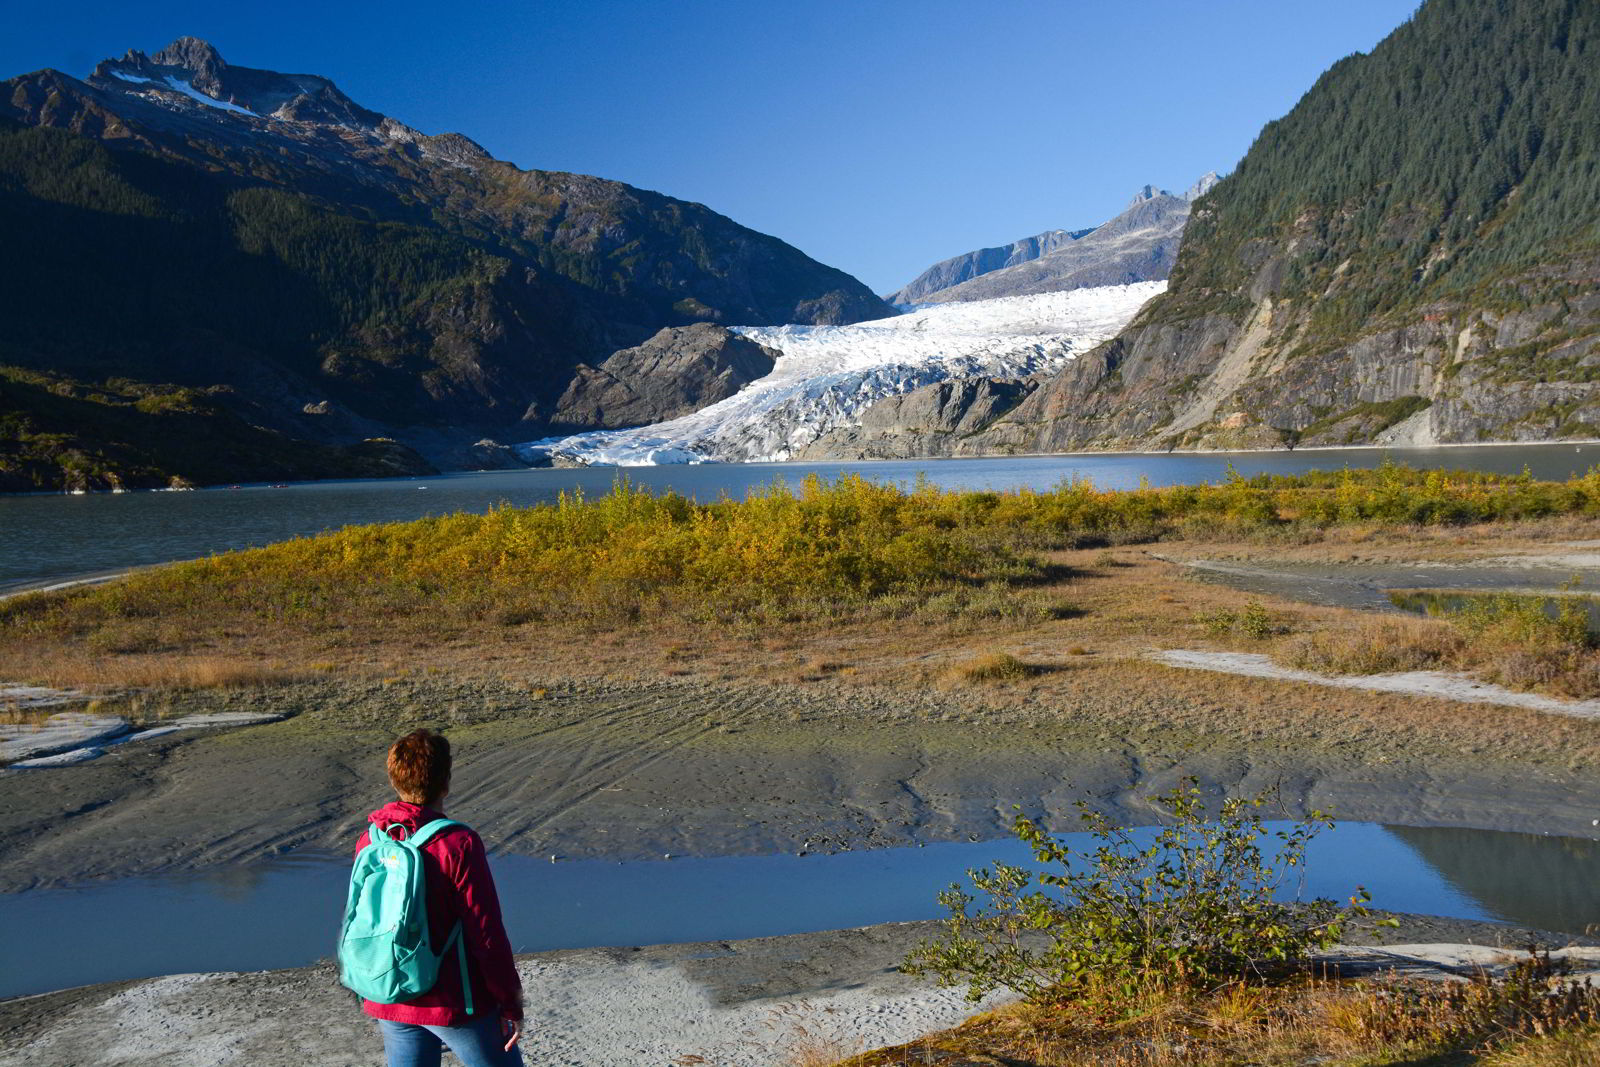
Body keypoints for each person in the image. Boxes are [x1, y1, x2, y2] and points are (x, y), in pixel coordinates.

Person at [356, 729, 525, 1067]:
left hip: (391, 994)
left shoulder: (370, 840)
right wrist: (509, 1001)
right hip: (453, 1002)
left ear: (394, 779)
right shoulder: (457, 844)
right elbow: (486, 932)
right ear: (445, 781)